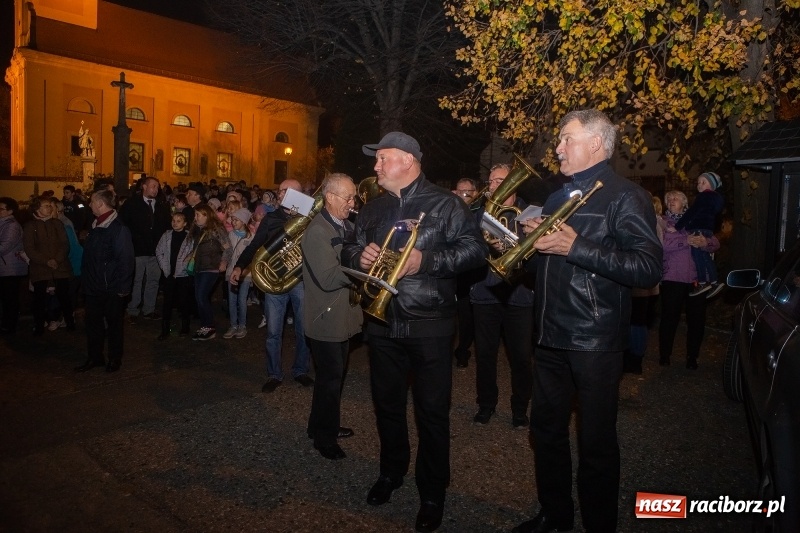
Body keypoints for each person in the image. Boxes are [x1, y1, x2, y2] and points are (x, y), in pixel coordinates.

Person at [515, 109, 662, 533]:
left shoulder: (625, 196)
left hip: (594, 340)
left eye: (566, 139)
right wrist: (518, 246)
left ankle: (600, 526)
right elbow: (548, 261)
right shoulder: (559, 196)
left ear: (596, 143)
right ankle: (555, 514)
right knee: (545, 431)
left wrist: (576, 247)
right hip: (549, 335)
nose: (557, 147)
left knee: (595, 443)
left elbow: (648, 268)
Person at [341, 132, 487, 533]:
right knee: (387, 406)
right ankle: (391, 473)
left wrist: (426, 260)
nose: (375, 166)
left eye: (382, 158)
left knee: (432, 414)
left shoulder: (446, 202)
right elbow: (348, 248)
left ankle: (433, 492)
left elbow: (475, 251)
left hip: (431, 325)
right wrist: (360, 254)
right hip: (382, 323)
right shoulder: (373, 208)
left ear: (407, 159)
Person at [230, 179, 314, 392]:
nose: (280, 193)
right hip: (275, 282)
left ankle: (300, 370)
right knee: (273, 332)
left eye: (286, 190)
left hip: (299, 280)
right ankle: (274, 374)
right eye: (280, 190)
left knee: (303, 329)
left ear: (299, 195)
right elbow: (255, 245)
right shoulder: (271, 218)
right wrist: (240, 267)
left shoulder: (309, 218)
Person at [302, 173, 363, 461]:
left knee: (333, 378)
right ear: (330, 197)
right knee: (330, 380)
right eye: (347, 197)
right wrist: (363, 273)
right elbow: (327, 278)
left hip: (342, 316)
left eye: (353, 197)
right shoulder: (317, 231)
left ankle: (319, 426)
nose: (353, 203)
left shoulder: (346, 226)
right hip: (325, 319)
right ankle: (325, 439)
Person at [471, 163, 534, 428]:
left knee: (520, 357)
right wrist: (484, 245)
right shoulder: (478, 213)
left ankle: (520, 409)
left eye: (499, 180)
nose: (493, 185)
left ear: (514, 182)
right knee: (485, 355)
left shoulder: (530, 214)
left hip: (518, 295)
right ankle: (486, 405)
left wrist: (517, 245)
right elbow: (468, 251)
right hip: (486, 292)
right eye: (491, 181)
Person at [658, 190, 720, 369]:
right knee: (669, 318)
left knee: (697, 320)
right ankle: (665, 355)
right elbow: (664, 243)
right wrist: (687, 240)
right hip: (672, 277)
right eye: (668, 198)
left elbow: (715, 242)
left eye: (675, 198)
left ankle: (692, 357)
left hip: (696, 279)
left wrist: (705, 243)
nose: (671, 200)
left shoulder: (697, 219)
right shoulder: (663, 221)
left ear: (685, 203)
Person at [75, 189, 134, 373]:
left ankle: (115, 358)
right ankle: (95, 357)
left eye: (92, 201)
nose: (90, 205)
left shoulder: (118, 228)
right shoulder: (96, 225)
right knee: (93, 325)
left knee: (114, 326)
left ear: (101, 204)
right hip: (93, 286)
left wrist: (124, 288)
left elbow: (126, 260)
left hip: (112, 288)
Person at [120, 176, 172, 322]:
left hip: (155, 250)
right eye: (153, 186)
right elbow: (123, 224)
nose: (156, 190)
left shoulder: (162, 206)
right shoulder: (132, 204)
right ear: (144, 186)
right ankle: (132, 310)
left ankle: (149, 308)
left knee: (153, 280)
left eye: (157, 187)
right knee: (136, 280)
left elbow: (166, 227)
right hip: (137, 250)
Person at [623, 193, 665, 374]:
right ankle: (634, 358)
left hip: (638, 279)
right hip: (643, 280)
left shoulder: (644, 222)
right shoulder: (650, 221)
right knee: (637, 321)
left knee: (636, 321)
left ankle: (634, 359)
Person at [23, 196, 75, 336]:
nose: (50, 208)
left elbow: (65, 244)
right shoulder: (30, 226)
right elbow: (29, 248)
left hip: (60, 268)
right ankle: (39, 325)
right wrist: (46, 261)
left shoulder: (57, 224)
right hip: (41, 269)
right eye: (46, 206)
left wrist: (57, 259)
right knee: (39, 299)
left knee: (64, 296)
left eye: (49, 206)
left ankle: (70, 323)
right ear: (37, 209)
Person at [673, 171, 725, 298]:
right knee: (705, 256)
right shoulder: (716, 199)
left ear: (711, 185)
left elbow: (692, 211)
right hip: (707, 229)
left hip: (697, 228)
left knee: (698, 257)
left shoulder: (703, 197)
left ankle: (702, 282)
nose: (699, 185)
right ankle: (714, 281)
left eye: (703, 182)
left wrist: (678, 226)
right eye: (698, 182)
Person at [188, 204, 232, 341]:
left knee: (201, 297)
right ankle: (205, 326)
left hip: (211, 268)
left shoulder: (216, 229)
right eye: (195, 215)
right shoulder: (198, 230)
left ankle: (209, 327)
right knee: (199, 298)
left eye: (198, 215)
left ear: (206, 215)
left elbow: (228, 248)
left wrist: (224, 262)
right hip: (199, 268)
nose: (195, 218)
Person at [451, 178, 482, 368]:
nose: (463, 195)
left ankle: (463, 350)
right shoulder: (452, 210)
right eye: (459, 191)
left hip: (469, 273)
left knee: (466, 317)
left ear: (475, 193)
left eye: (467, 192)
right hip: (453, 270)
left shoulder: (478, 213)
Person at [155, 211, 193, 340]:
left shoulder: (189, 237)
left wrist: (183, 267)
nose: (175, 223)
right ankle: (165, 329)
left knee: (184, 301)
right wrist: (165, 268)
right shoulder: (166, 235)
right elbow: (159, 251)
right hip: (169, 274)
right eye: (173, 220)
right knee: (167, 302)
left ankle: (185, 327)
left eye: (178, 221)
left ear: (185, 223)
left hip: (183, 275)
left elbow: (191, 254)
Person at [223, 208, 253, 339]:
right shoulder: (230, 235)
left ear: (244, 222)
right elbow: (227, 252)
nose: (233, 222)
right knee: (232, 300)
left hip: (246, 273)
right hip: (231, 272)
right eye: (233, 219)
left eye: (237, 220)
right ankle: (233, 325)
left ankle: (242, 325)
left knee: (242, 299)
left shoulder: (251, 237)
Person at [0, 197, 28, 335]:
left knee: (10, 298)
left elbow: (5, 246)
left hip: (11, 268)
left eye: (1, 208)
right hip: (4, 267)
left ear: (10, 211)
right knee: (5, 298)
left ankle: (10, 325)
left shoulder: (12, 225)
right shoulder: (3, 223)